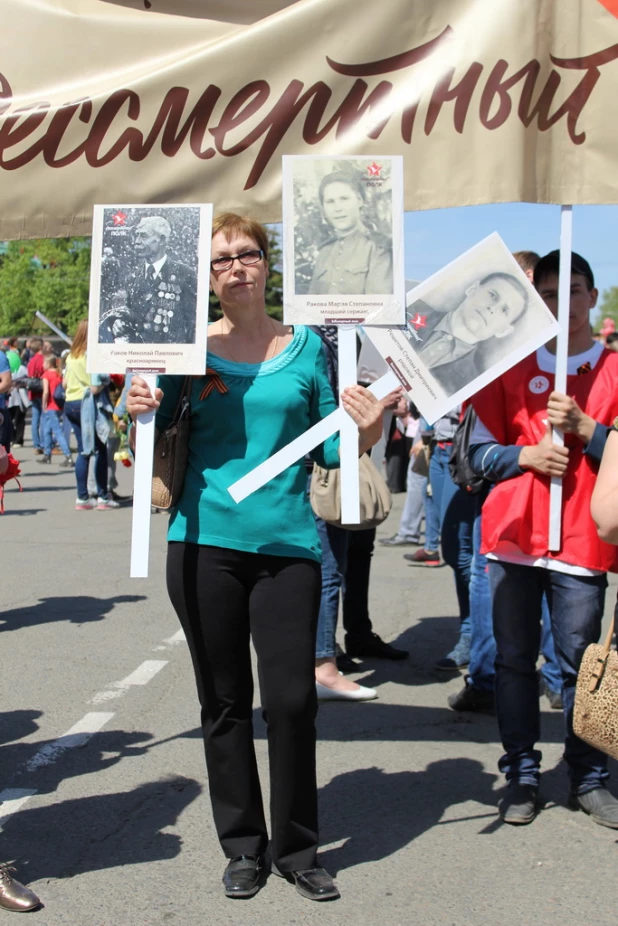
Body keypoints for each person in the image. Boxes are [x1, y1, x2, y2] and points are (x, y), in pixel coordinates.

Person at [127, 213, 388, 902]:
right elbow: (158, 433)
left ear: (268, 265)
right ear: (206, 277)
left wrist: (370, 427)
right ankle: (243, 846)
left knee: (293, 701)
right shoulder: (186, 347)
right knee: (224, 702)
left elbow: (333, 446)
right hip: (202, 543)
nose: (235, 268)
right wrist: (140, 404)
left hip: (287, 548)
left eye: (247, 255)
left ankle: (298, 848)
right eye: (220, 260)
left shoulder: (305, 347)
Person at [469, 249, 618, 827]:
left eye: (574, 291)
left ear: (593, 295)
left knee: (582, 664)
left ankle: (587, 775)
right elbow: (476, 455)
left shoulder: (611, 368)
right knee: (513, 662)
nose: (564, 304)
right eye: (550, 294)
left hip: (582, 539)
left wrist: (591, 431)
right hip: (513, 536)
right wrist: (523, 454)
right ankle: (521, 775)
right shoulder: (508, 366)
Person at [407, 271, 528, 395]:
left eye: (504, 310)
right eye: (493, 295)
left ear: (504, 331)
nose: (492, 308)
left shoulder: (471, 386)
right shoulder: (408, 309)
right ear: (472, 289)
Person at [100, 215, 197, 344]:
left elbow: (192, 323)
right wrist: (118, 322)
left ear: (161, 240)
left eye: (144, 236)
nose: (137, 241)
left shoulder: (184, 274)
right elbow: (131, 315)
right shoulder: (133, 278)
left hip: (172, 356)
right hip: (141, 356)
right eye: (137, 235)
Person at [307, 171, 393, 296]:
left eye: (344, 199)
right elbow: (310, 302)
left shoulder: (378, 248)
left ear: (359, 201)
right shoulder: (324, 252)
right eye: (330, 201)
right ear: (324, 209)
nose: (337, 208)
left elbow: (378, 306)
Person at [63, 320, 119, 511]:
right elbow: (95, 387)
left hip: (71, 402)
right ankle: (103, 496)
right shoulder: (92, 355)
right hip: (88, 405)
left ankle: (82, 496)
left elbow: (64, 384)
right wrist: (106, 379)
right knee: (100, 449)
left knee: (83, 450)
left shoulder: (71, 356)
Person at [37, 355, 73, 467]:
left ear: (48, 364)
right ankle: (47, 454)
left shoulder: (46, 375)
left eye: (44, 363)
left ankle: (68, 456)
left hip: (50, 406)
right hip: (59, 405)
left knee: (56, 431)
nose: (43, 365)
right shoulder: (59, 374)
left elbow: (46, 391)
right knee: (47, 429)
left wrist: (44, 403)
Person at [26, 339, 44, 453]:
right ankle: (44, 443)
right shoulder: (42, 359)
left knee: (35, 419)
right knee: (44, 418)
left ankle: (36, 444)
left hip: (32, 391)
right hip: (42, 391)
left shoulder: (31, 360)